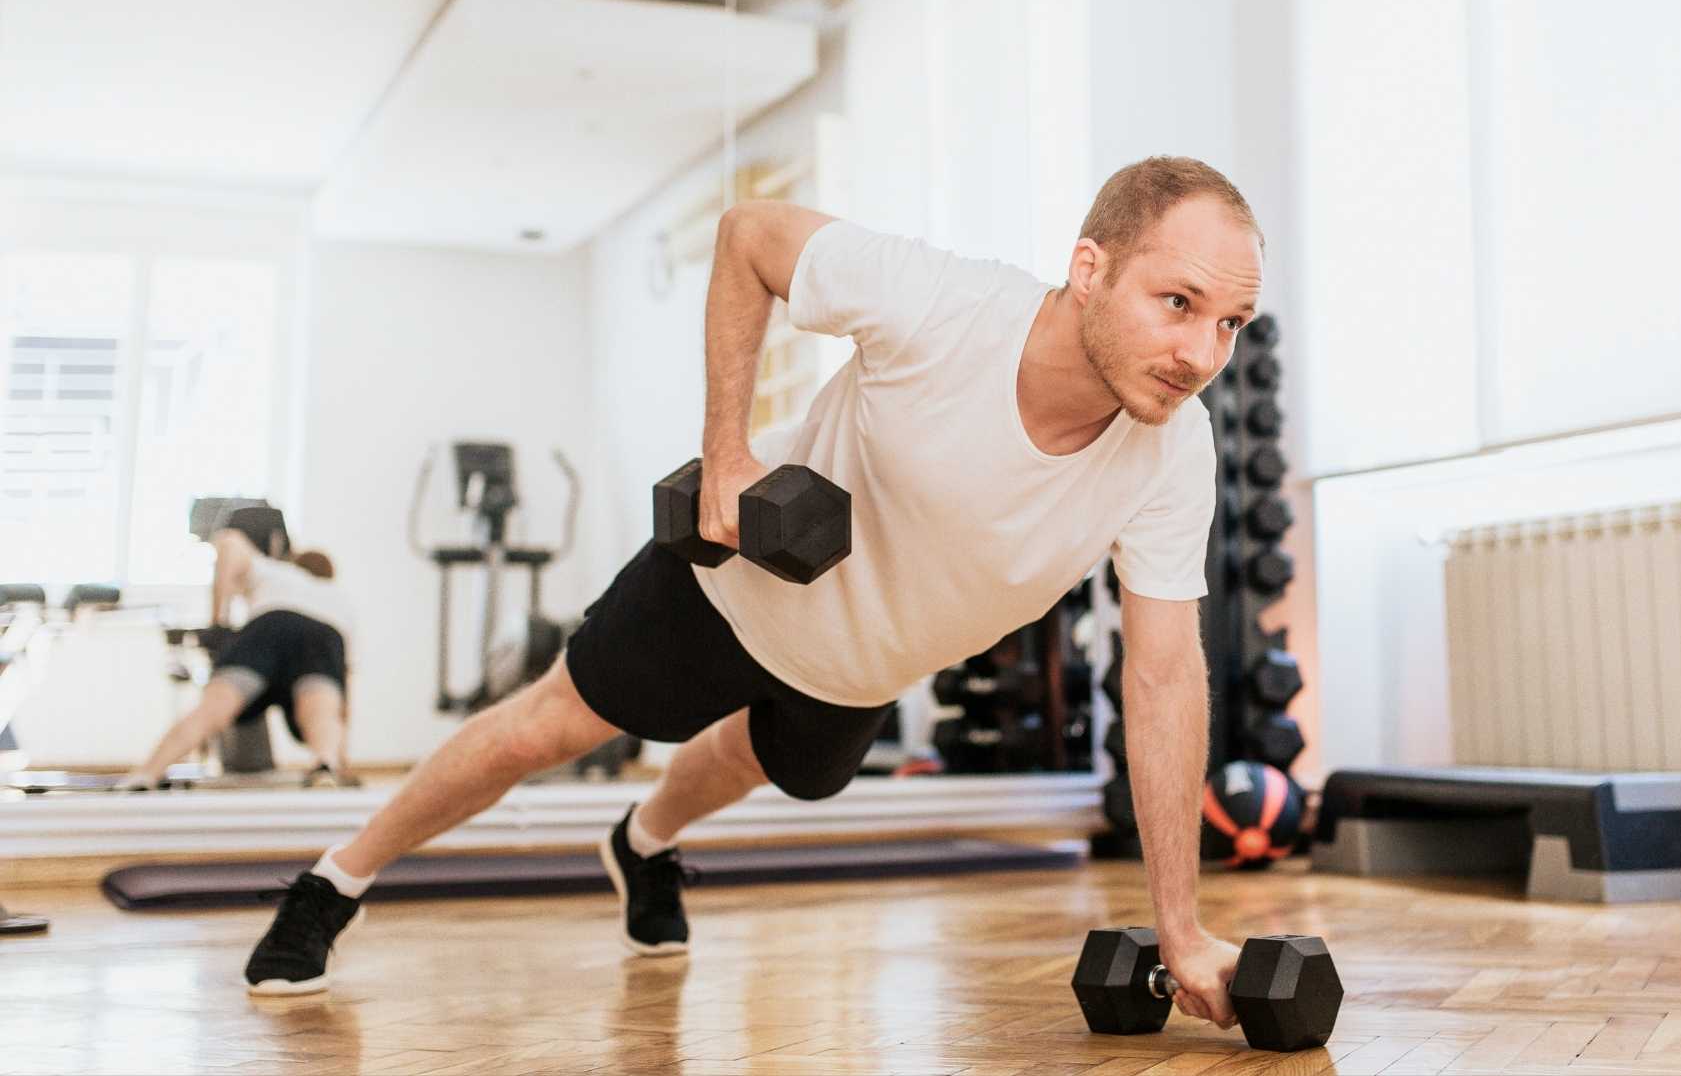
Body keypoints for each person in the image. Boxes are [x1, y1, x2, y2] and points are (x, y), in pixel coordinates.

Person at [243, 154, 1264, 1031]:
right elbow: (749, 236)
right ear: (1089, 269)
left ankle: (641, 841)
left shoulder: (1175, 453)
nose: (1201, 356)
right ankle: (334, 881)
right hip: (735, 590)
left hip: (862, 667)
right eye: (1178, 303)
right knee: (541, 729)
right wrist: (725, 450)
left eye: (1230, 323)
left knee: (761, 761)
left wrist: (1181, 928)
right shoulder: (945, 306)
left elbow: (1166, 675)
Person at [123, 531, 356, 790]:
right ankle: (326, 765)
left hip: (271, 625)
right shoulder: (340, 598)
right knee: (321, 714)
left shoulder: (277, 571)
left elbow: (229, 542)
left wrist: (218, 619)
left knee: (212, 710)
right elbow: (345, 685)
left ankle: (147, 773)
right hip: (324, 635)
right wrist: (342, 758)